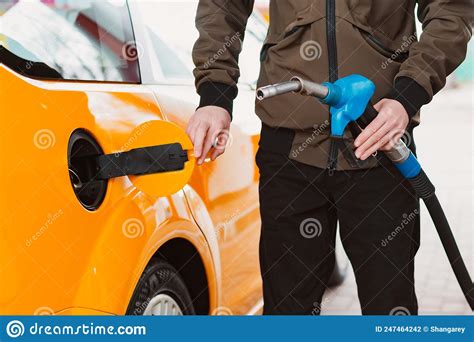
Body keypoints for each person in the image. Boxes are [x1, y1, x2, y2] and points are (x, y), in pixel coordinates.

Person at [187, 0, 472, 315]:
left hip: (380, 141)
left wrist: (407, 97)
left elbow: (451, 10)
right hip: (289, 148)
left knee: (390, 310)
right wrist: (214, 94)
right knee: (288, 313)